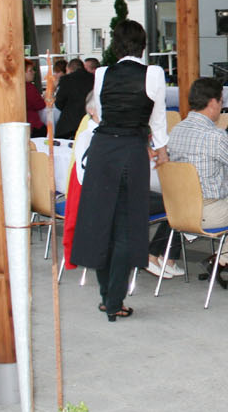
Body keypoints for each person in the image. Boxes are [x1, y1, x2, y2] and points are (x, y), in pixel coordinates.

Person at [67, 20, 168, 322]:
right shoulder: (153, 73)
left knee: (100, 224)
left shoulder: (101, 73)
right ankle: (115, 300)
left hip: (102, 150)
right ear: (142, 44)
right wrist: (160, 149)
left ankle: (105, 296)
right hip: (131, 150)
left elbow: (101, 112)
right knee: (126, 226)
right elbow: (158, 118)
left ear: (115, 45)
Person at [167, 77, 228, 276]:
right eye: (221, 102)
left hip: (179, 209)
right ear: (213, 102)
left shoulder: (176, 131)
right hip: (208, 211)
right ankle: (221, 260)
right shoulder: (215, 136)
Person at [54, 58, 96, 139]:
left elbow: (59, 103)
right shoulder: (93, 78)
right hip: (88, 120)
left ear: (69, 69)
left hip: (69, 124)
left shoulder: (66, 79)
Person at [25, 58, 48, 137]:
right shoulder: (29, 87)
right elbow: (40, 105)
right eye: (30, 70)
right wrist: (44, 99)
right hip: (33, 125)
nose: (34, 72)